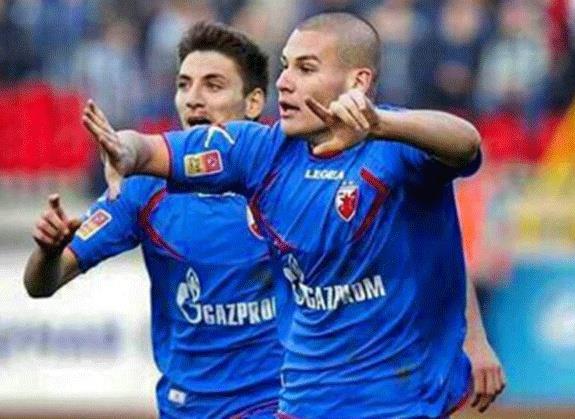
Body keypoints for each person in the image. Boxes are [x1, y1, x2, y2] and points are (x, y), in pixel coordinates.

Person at [84, 12, 506, 418]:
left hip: (398, 399)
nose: (284, 82)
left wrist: (381, 125)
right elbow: (155, 149)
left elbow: (466, 145)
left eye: (306, 69)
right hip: (305, 399)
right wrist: (125, 150)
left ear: (357, 81)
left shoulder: (398, 147)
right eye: (285, 66)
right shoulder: (261, 151)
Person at [23, 21, 282, 419]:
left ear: (253, 102)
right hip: (186, 407)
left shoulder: (286, 178)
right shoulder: (144, 189)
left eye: (213, 85)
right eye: (184, 85)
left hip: (276, 403)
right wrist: (48, 251)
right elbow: (41, 284)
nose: (193, 99)